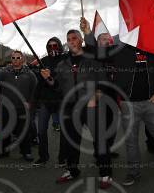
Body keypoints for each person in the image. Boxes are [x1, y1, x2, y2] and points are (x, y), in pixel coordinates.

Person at [80, 17, 154, 186]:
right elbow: (97, 52)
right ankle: (133, 172)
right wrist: (88, 34)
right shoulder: (119, 50)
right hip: (129, 104)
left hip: (151, 102)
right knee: (131, 141)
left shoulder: (153, 49)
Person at [42, 29, 112, 189]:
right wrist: (49, 79)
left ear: (80, 40)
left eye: (74, 38)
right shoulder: (62, 64)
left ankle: (105, 173)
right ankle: (72, 170)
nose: (71, 41)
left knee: (100, 140)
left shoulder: (92, 60)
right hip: (70, 107)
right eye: (68, 39)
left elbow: (103, 82)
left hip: (91, 106)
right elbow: (59, 87)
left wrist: (95, 97)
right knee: (71, 141)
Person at [0, 50, 37, 161]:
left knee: (24, 131)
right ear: (11, 59)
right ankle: (3, 151)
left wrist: (30, 102)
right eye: (13, 58)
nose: (16, 60)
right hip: (6, 107)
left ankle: (26, 152)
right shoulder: (3, 72)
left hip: (22, 108)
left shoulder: (30, 74)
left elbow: (35, 89)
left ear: (22, 59)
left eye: (18, 58)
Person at [33, 37, 66, 166]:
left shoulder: (65, 60)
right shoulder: (43, 61)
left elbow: (66, 80)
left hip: (61, 100)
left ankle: (63, 158)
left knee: (65, 132)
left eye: (55, 45)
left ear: (59, 46)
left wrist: (51, 78)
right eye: (50, 46)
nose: (53, 48)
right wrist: (35, 100)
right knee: (41, 130)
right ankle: (43, 157)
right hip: (45, 101)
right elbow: (39, 84)